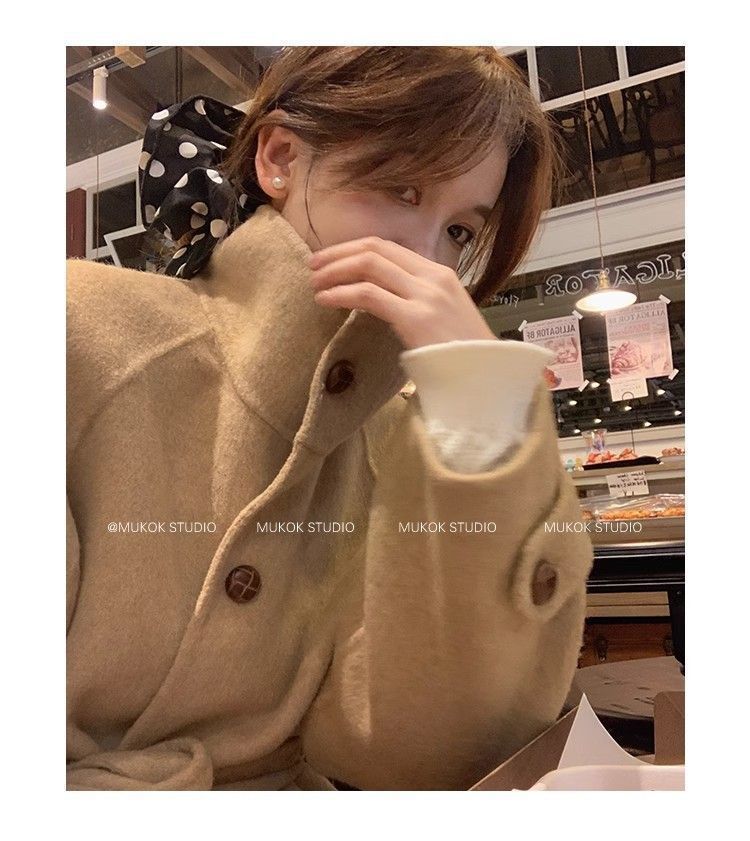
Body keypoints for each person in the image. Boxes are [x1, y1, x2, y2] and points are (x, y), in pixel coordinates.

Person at [66, 46, 594, 791]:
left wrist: (483, 414)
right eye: (401, 188)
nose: (427, 257)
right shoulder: (76, 330)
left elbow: (418, 755)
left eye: (459, 232)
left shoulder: (403, 436)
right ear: (280, 157)